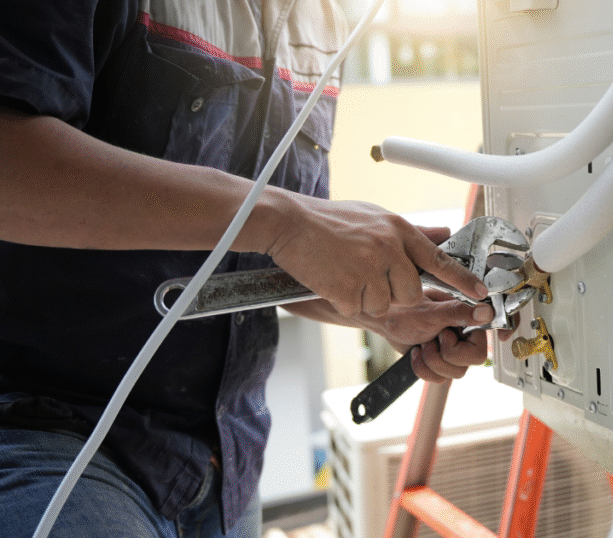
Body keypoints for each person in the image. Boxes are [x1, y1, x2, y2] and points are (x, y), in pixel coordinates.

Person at [0, 1, 493, 536]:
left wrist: (382, 310)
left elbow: (265, 252)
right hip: (44, 433)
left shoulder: (324, 20)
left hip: (225, 470)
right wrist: (287, 220)